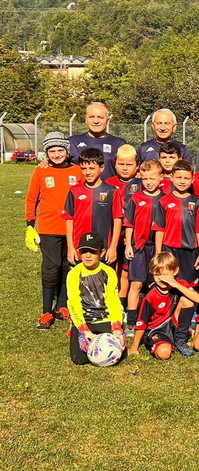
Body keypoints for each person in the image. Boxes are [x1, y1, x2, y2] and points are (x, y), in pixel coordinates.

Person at [25, 132, 83, 330]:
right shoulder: (41, 171)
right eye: (52, 151)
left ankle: (62, 306)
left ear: (67, 151)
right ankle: (46, 311)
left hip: (73, 228)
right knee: (51, 267)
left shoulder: (77, 171)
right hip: (49, 228)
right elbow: (32, 198)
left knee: (69, 266)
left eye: (60, 150)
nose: (57, 154)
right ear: (46, 153)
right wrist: (29, 225)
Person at [127, 251, 199, 358]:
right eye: (156, 275)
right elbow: (142, 322)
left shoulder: (179, 283)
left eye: (165, 275)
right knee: (164, 353)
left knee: (188, 300)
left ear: (175, 271)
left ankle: (180, 340)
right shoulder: (151, 295)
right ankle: (164, 343)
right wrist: (134, 347)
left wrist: (175, 284)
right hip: (157, 329)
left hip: (173, 324)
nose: (161, 279)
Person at [66, 232, 125, 365]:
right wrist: (83, 329)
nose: (87, 255)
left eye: (92, 252)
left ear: (102, 252)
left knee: (120, 353)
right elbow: (73, 303)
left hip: (105, 319)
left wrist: (116, 326)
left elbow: (113, 299)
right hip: (85, 320)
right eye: (84, 251)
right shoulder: (73, 274)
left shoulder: (109, 272)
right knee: (79, 359)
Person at [123, 159, 164, 335]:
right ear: (140, 177)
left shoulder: (165, 199)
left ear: (161, 178)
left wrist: (160, 252)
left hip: (156, 248)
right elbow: (129, 223)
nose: (149, 182)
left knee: (156, 284)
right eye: (145, 179)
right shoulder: (136, 198)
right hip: (138, 247)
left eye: (152, 179)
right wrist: (128, 245)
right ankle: (131, 320)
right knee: (137, 284)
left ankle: (154, 319)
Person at [63, 148, 122, 266]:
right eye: (84, 169)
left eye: (92, 168)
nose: (87, 172)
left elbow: (117, 219)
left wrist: (113, 247)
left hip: (103, 249)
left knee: (102, 283)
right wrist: (70, 247)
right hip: (80, 249)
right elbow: (69, 219)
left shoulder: (111, 191)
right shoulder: (75, 191)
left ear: (102, 168)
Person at [153, 160, 199, 287]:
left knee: (190, 287)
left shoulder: (198, 203)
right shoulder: (164, 201)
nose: (182, 181)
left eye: (186, 178)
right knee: (169, 285)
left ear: (192, 179)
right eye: (179, 177)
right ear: (171, 177)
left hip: (190, 251)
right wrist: (158, 253)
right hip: (169, 251)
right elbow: (159, 229)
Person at [105, 144, 140, 308]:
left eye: (129, 164)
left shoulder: (141, 184)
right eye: (121, 164)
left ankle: (122, 303)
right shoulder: (108, 183)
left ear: (137, 165)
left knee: (126, 271)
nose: (125, 168)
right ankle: (109, 303)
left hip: (131, 238)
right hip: (112, 235)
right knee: (112, 269)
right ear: (115, 164)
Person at [68, 102, 126, 179]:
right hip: (80, 190)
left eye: (100, 117)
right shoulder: (72, 142)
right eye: (91, 117)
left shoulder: (119, 144)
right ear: (86, 119)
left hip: (110, 190)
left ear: (108, 121)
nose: (96, 121)